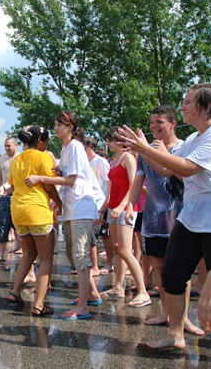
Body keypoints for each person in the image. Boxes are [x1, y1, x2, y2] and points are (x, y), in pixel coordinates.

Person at [120, 83, 211, 356]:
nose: (183, 107)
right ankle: (176, 335)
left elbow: (188, 169)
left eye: (188, 102)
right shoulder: (193, 139)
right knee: (171, 276)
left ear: (204, 106)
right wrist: (144, 151)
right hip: (189, 220)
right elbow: (168, 169)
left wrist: (145, 148)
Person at [124, 105, 203, 334]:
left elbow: (178, 173)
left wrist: (155, 153)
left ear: (172, 124)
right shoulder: (145, 151)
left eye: (159, 122)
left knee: (181, 270)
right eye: (151, 123)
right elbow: (138, 182)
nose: (154, 127)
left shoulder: (184, 147)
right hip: (153, 219)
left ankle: (184, 318)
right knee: (159, 267)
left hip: (181, 218)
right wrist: (130, 205)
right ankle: (166, 312)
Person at [25, 110, 104, 319]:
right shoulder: (66, 147)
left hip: (81, 206)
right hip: (71, 207)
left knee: (79, 255)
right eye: (56, 124)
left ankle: (83, 307)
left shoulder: (77, 146)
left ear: (71, 127)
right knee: (72, 254)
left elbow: (72, 180)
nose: (56, 127)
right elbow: (65, 176)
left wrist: (41, 178)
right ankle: (93, 295)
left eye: (60, 124)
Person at [6, 125, 62, 316]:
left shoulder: (16, 160)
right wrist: (59, 203)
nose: (47, 144)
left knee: (28, 253)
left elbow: (12, 185)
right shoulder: (43, 156)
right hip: (37, 211)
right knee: (45, 258)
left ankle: (14, 292)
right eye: (46, 140)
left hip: (18, 211)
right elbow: (48, 186)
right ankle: (39, 304)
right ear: (40, 140)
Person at [99, 126, 151, 308]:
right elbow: (112, 187)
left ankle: (143, 291)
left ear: (118, 140)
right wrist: (103, 208)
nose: (108, 144)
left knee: (126, 250)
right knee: (117, 248)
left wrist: (123, 206)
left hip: (126, 208)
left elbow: (134, 184)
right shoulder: (114, 161)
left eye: (110, 141)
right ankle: (118, 287)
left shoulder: (129, 158)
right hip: (113, 207)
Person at [84, 136, 113, 274]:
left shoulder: (100, 161)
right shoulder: (84, 162)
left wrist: (106, 203)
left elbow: (109, 181)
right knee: (92, 235)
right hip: (89, 203)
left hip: (102, 202)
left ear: (90, 146)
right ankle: (92, 265)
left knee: (105, 235)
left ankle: (108, 263)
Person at [0, 137, 19, 263]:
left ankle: (22, 248)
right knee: (2, 224)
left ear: (16, 145)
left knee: (19, 226)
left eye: (9, 146)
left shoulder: (21, 158)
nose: (7, 148)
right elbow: (0, 179)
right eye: (5, 146)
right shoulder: (2, 159)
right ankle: (0, 254)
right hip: (4, 196)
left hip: (18, 195)